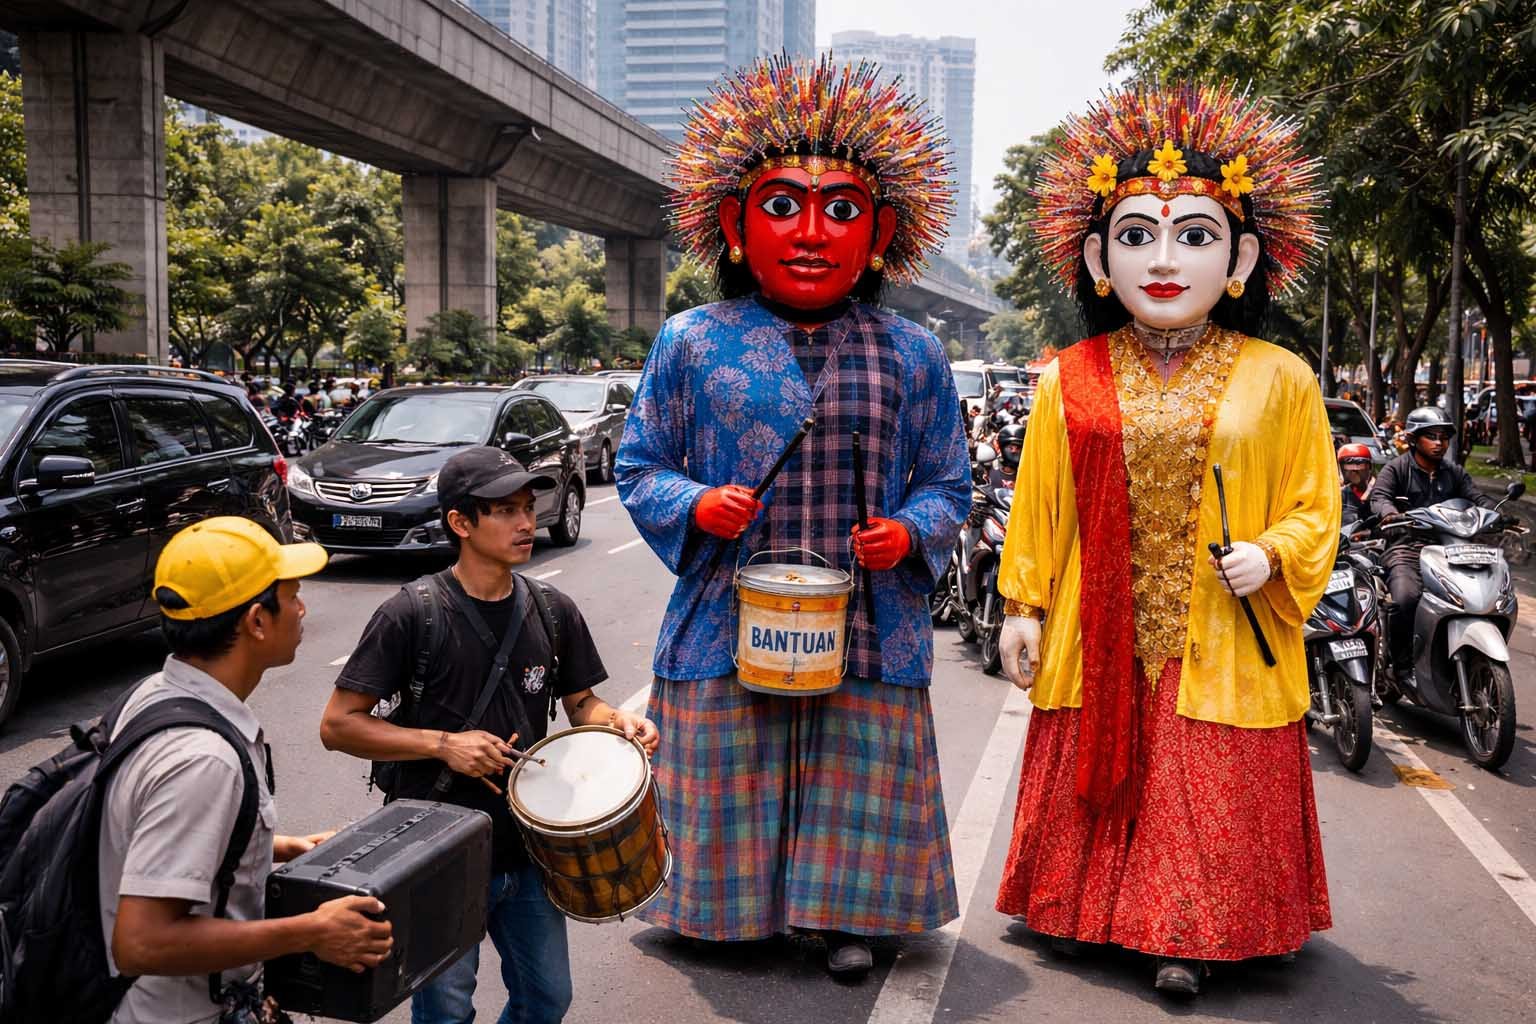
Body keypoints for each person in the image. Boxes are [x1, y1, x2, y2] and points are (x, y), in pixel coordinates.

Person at [615, 55, 970, 978]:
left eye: (842, 211)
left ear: (879, 233)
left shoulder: (915, 352)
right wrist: (697, 502)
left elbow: (949, 483)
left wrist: (909, 532)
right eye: (782, 206)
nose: (812, 233)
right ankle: (728, 914)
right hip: (727, 609)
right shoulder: (690, 340)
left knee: (856, 764)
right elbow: (638, 463)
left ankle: (847, 917)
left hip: (870, 614)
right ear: (736, 225)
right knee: (732, 757)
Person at [992, 83, 1340, 996]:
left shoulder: (1282, 378)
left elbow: (1316, 504)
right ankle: (1078, 909)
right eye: (1138, 234)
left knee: (1199, 783)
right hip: (1095, 625)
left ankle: (1185, 933)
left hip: (1220, 629)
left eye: (1194, 235)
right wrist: (1022, 605)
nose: (1164, 259)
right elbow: (1039, 506)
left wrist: (1275, 552)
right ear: (1098, 259)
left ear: (1241, 258)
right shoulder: (1068, 378)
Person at [320, 446, 657, 1024]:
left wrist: (617, 722)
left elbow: (582, 703)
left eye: (527, 507)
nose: (526, 522)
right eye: (504, 511)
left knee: (548, 998)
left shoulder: (552, 609)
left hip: (529, 845)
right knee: (447, 1012)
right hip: (437, 850)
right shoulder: (412, 614)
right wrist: (442, 744)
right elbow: (338, 724)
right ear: (461, 522)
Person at [100, 517, 392, 1023]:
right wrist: (312, 931)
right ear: (257, 622)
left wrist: (279, 847)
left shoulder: (154, 695)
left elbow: (149, 834)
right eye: (293, 596)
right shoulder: (203, 760)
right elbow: (142, 942)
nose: (302, 609)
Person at [1368, 406, 1497, 681]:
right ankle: (1401, 665)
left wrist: (1497, 512)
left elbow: (1476, 497)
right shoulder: (1397, 468)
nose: (1439, 443)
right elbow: (1379, 497)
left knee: (1485, 597)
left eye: (1444, 437)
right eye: (1432, 436)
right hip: (1407, 548)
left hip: (1451, 549)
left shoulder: (1454, 472)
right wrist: (1389, 513)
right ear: (1414, 439)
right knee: (1405, 598)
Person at [1338, 443, 1376, 525]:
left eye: (1359, 464)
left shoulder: (1381, 491)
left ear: (1369, 466)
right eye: (1348, 466)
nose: (1354, 470)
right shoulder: (1340, 496)